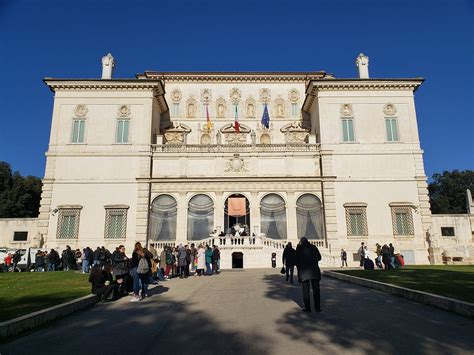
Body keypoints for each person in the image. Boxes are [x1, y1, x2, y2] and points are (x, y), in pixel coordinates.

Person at [296, 237, 322, 313]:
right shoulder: (313, 247)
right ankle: (317, 308)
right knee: (316, 290)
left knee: (305, 291)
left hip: (304, 272)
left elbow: (296, 261)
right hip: (314, 271)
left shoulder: (300, 249)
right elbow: (319, 257)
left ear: (301, 242)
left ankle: (308, 308)